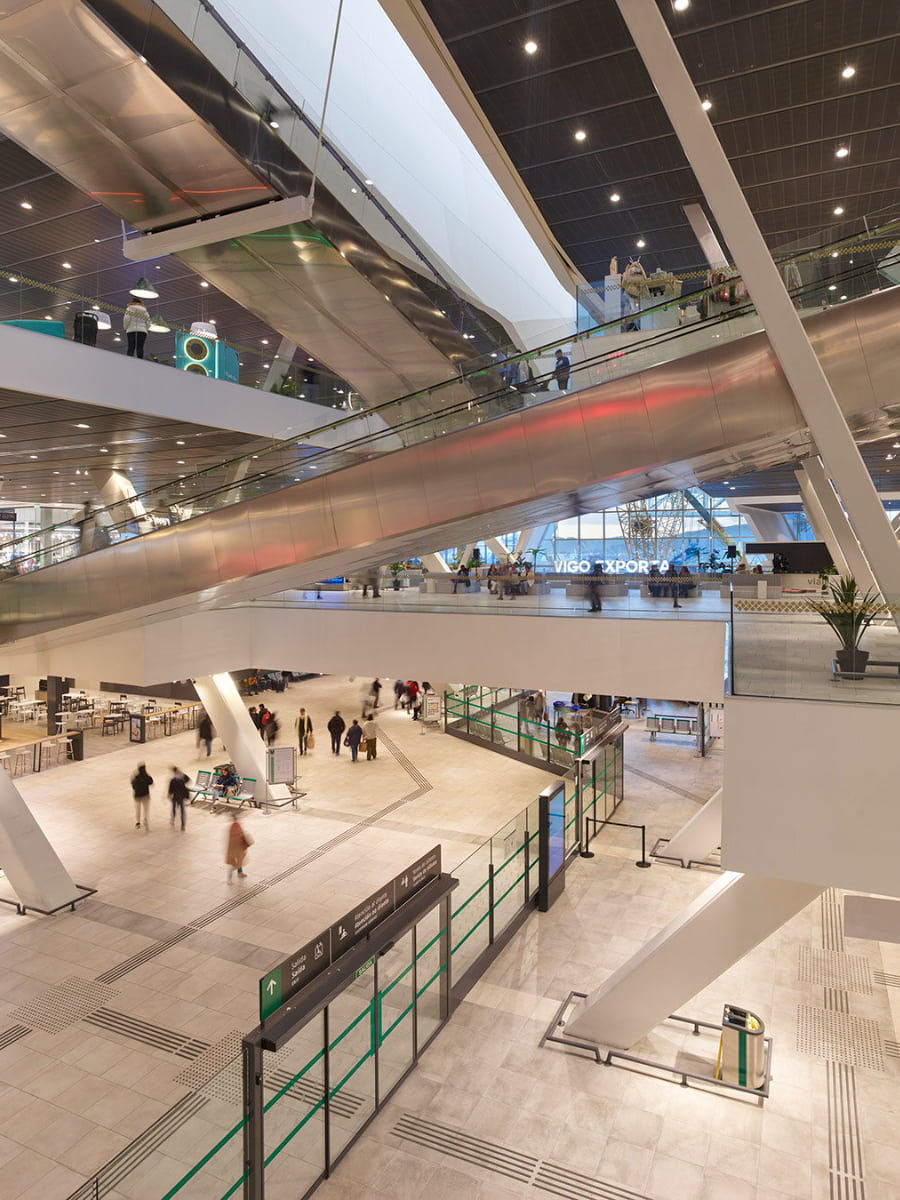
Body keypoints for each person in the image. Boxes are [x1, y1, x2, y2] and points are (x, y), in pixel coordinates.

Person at [225, 818, 253, 883]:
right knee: (234, 865)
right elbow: (236, 837)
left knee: (239, 861)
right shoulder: (234, 827)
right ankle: (229, 879)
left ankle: (240, 873)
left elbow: (241, 834)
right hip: (235, 849)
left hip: (239, 849)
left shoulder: (236, 825)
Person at [131, 763, 153, 831]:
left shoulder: (135, 776)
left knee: (138, 810)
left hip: (137, 796)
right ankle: (145, 820)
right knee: (146, 809)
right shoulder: (146, 776)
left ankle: (138, 823)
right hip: (145, 795)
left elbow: (133, 786)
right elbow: (151, 782)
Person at [168, 766, 189, 831]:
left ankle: (173, 819)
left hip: (175, 796)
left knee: (174, 808)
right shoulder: (182, 777)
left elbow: (170, 789)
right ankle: (183, 825)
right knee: (182, 811)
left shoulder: (173, 780)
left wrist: (169, 794)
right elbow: (188, 779)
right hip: (181, 796)